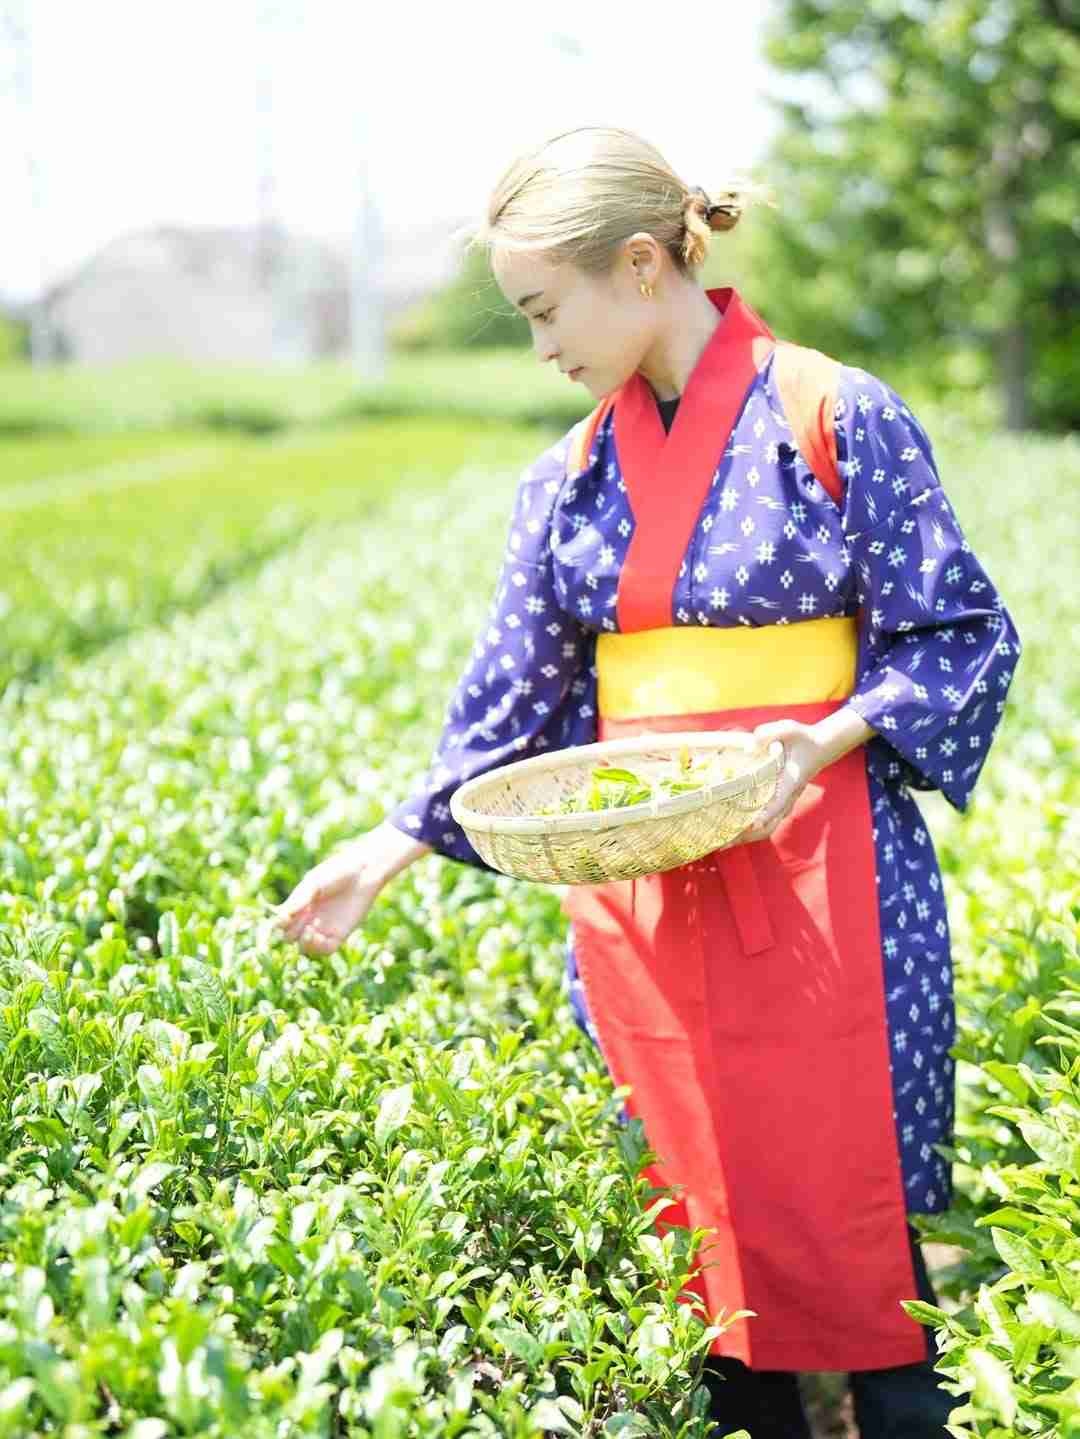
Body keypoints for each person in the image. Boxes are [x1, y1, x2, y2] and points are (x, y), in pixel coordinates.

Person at [273, 126, 1022, 1436]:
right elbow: (511, 706)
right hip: (646, 902)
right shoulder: (566, 479)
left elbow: (957, 636)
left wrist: (822, 740)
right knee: (700, 1249)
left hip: (832, 872)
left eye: (543, 309)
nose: (539, 347)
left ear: (637, 265)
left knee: (870, 1239)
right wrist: (384, 851)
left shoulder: (835, 417)